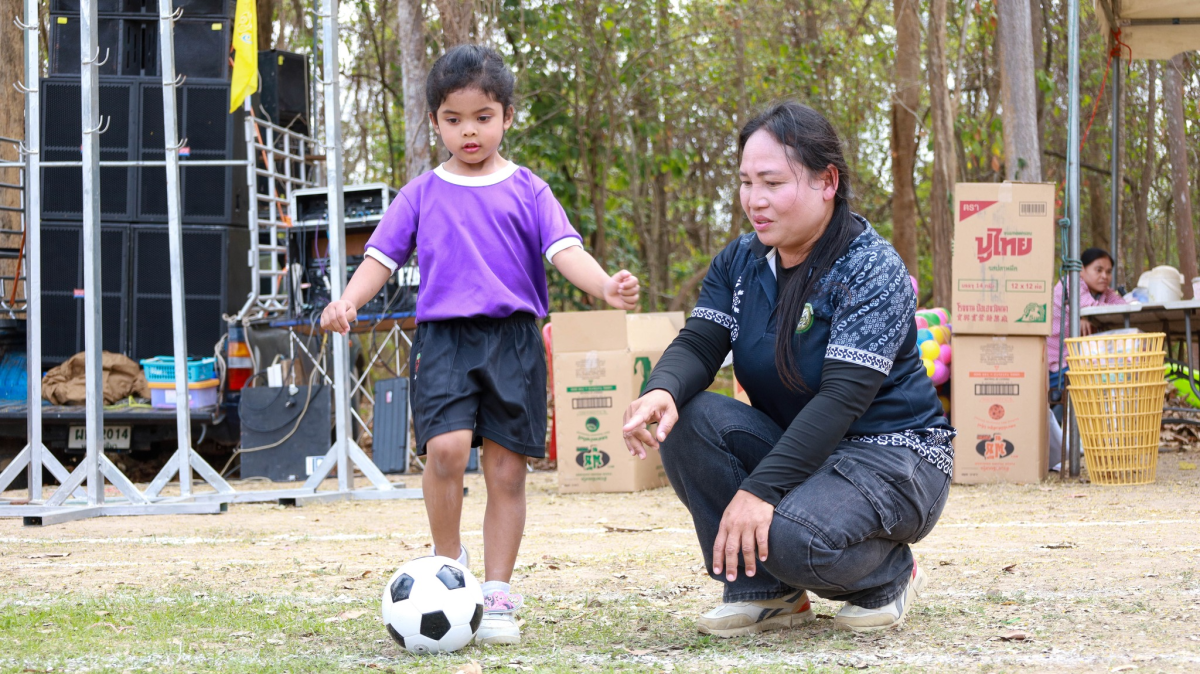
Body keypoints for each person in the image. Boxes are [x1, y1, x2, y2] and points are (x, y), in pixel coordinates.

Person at [320, 45, 639, 646]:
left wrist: (605, 285)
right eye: (454, 118)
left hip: (514, 340)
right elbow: (380, 257)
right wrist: (348, 301)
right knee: (444, 450)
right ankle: (450, 569)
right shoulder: (420, 193)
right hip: (443, 338)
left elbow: (563, 250)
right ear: (435, 122)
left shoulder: (530, 190)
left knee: (506, 470)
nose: (469, 131)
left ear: (507, 116)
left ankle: (496, 595)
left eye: (483, 116)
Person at [621, 102, 954, 637]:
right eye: (747, 182)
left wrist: (759, 492)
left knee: (788, 537)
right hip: (806, 450)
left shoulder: (870, 267)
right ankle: (765, 592)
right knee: (688, 415)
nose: (755, 201)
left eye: (773, 183)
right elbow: (700, 343)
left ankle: (889, 574)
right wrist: (661, 389)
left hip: (893, 456)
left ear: (828, 182)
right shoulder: (741, 262)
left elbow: (840, 401)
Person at [1047, 248, 1126, 394]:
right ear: (1082, 269)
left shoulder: (1102, 292)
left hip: (1077, 359)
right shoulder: (1071, 282)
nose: (1104, 276)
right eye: (1098, 270)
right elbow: (1089, 307)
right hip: (1055, 364)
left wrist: (1086, 317)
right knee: (1108, 373)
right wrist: (1084, 316)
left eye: (1108, 272)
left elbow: (1124, 307)